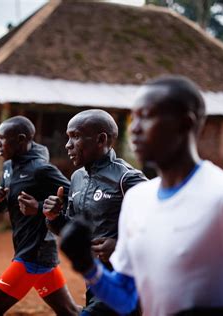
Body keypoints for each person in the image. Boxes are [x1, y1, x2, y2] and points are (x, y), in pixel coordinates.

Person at [59, 76, 223, 316]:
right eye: (133, 119)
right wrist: (88, 267)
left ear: (186, 123)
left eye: (146, 117)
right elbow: (127, 297)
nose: (135, 129)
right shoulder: (138, 199)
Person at [43, 109, 147, 315]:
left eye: (76, 136)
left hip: (126, 282)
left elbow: (160, 229)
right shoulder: (77, 178)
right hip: (95, 279)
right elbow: (71, 230)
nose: (68, 144)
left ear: (101, 140)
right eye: (68, 137)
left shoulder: (127, 179)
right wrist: (54, 217)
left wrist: (119, 247)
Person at [0, 116, 79, 316]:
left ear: (21, 140)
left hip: (33, 254)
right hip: (32, 251)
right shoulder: (8, 167)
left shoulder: (40, 169)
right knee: (70, 313)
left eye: (2, 138)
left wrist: (39, 207)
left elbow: (74, 197)